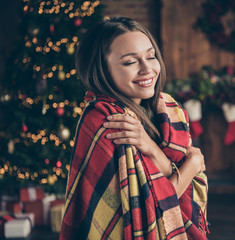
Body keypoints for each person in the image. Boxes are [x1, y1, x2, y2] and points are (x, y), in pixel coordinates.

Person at [60, 16, 209, 240]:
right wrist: (192, 164)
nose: (147, 69)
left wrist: (150, 148)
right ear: (101, 69)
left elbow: (167, 178)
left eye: (151, 56)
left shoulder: (165, 108)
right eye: (130, 62)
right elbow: (153, 206)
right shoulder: (106, 120)